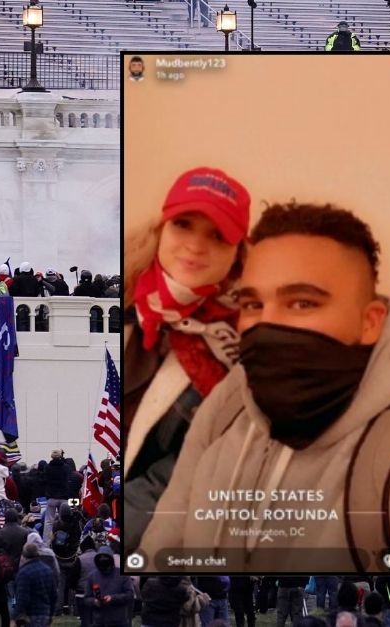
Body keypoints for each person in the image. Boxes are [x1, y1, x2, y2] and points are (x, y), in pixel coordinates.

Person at [140, 202, 390, 572]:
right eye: (252, 303)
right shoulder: (231, 399)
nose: (267, 324)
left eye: (301, 302)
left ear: (370, 322)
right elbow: (165, 539)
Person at [123, 166, 249, 553]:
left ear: (237, 254)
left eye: (217, 235)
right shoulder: (127, 304)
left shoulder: (238, 355)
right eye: (184, 225)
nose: (196, 245)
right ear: (161, 227)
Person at [83, 546, 135, 627]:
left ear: (111, 559)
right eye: (101, 558)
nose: (103, 560)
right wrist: (95, 602)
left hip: (119, 621)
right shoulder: (92, 576)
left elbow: (130, 595)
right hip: (99, 621)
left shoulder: (122, 575)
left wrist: (112, 598)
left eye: (105, 557)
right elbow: (86, 598)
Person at [14, 542, 58, 627]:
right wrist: (51, 614)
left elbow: (21, 597)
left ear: (24, 555)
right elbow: (54, 595)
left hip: (31, 615)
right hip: (45, 613)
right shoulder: (48, 570)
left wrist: (15, 615)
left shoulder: (24, 572)